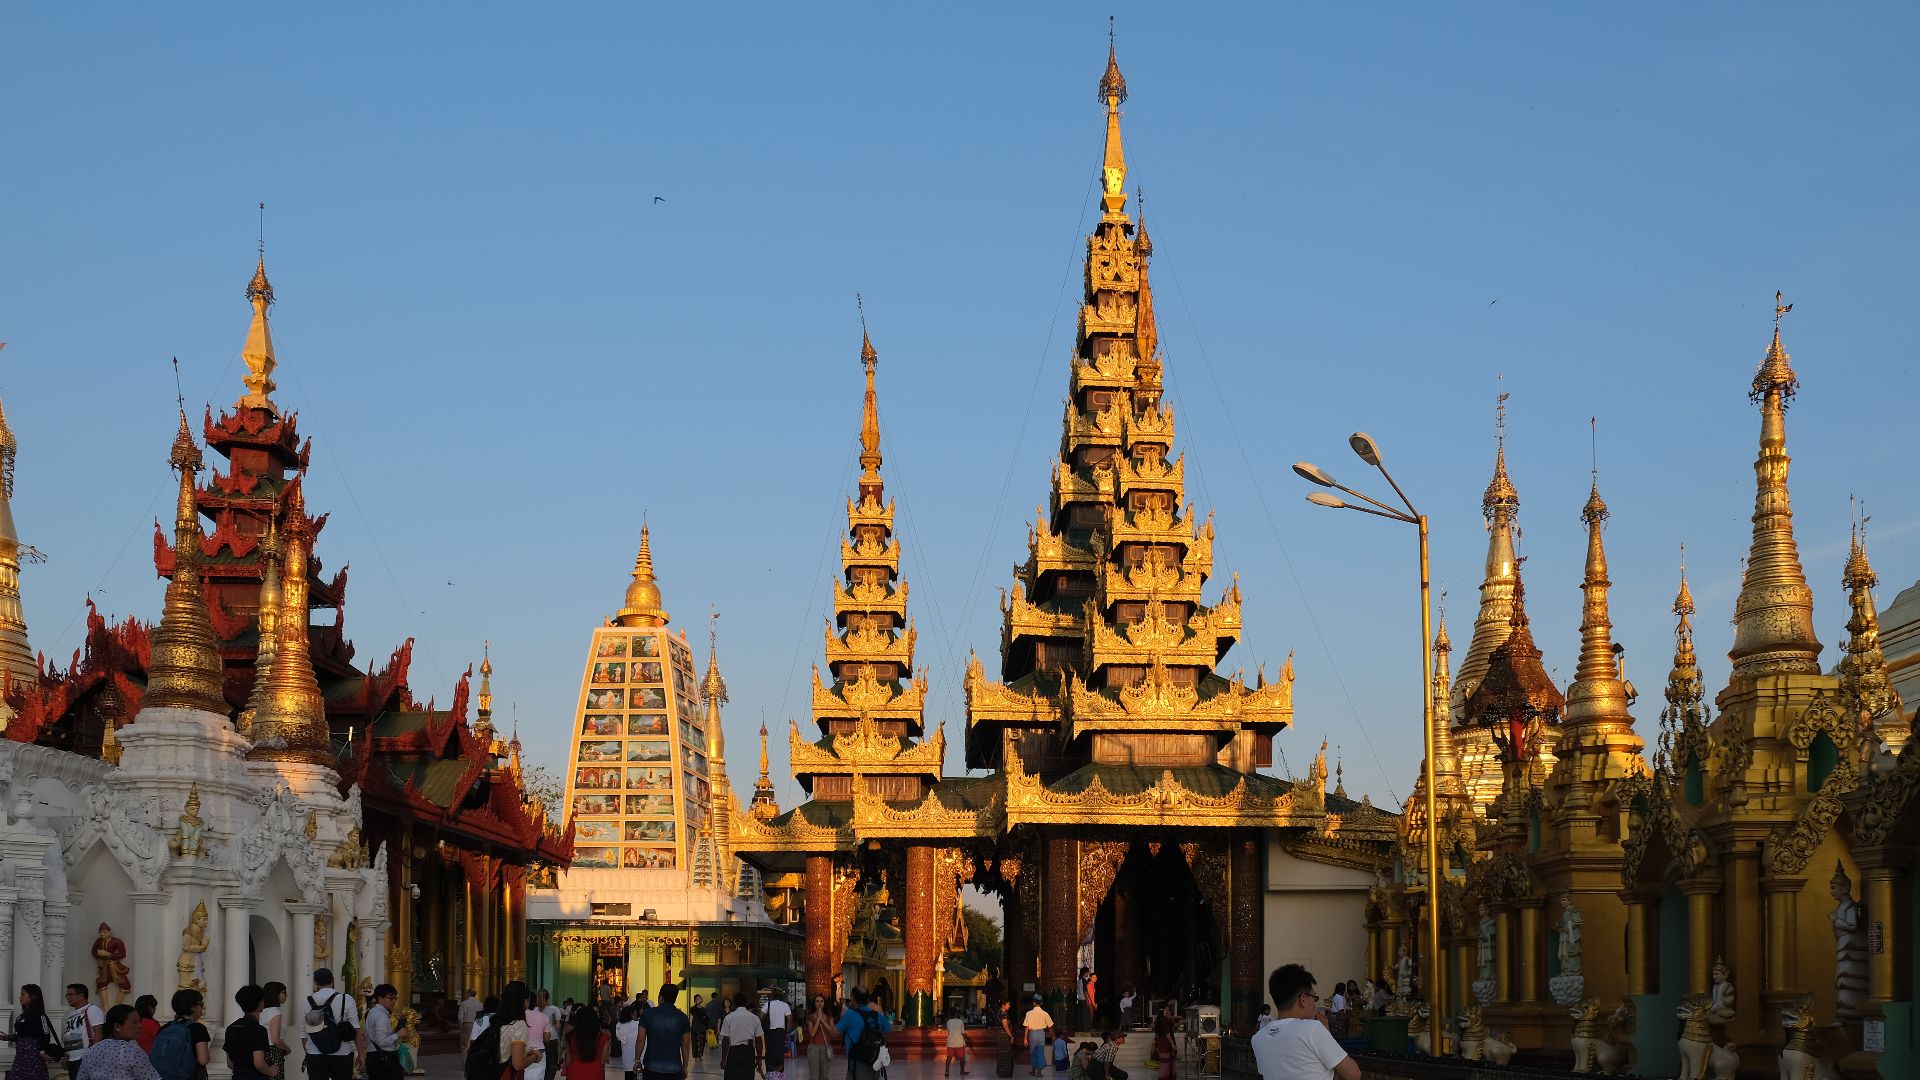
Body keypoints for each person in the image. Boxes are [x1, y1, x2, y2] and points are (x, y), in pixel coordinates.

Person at [1248, 965, 1358, 1080]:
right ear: (1303, 999)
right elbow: (1354, 1074)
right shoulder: (1312, 1029)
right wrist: (1327, 1035)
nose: (1315, 1003)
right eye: (1314, 998)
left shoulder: (1257, 1039)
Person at [301, 968, 358, 1080]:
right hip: (342, 1054)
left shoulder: (306, 1002)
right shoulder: (346, 999)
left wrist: (309, 1053)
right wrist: (361, 1053)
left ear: (315, 982)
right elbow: (356, 1029)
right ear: (332, 980)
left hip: (315, 1054)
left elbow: (304, 1034)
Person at [73, 1006, 157, 1080]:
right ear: (117, 1026)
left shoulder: (91, 1051)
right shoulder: (132, 1051)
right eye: (134, 1022)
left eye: (139, 1022)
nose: (139, 1026)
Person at [2, 984, 62, 1080]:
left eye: (23, 994)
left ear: (33, 997)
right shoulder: (22, 1015)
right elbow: (21, 1035)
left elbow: (46, 1034)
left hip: (34, 1058)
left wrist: (42, 1051)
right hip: (20, 1058)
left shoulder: (40, 1015)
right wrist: (7, 1037)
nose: (20, 997)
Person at [635, 984, 692, 1080]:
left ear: (660, 997)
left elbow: (640, 1039)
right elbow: (685, 1044)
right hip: (674, 1067)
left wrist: (637, 1060)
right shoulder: (682, 1017)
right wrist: (685, 1066)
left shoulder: (648, 1014)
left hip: (651, 1067)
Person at [834, 988, 887, 1080]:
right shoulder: (876, 1013)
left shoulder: (850, 1014)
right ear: (868, 1000)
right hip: (874, 1058)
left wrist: (841, 1019)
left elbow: (834, 1033)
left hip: (858, 1060)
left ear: (854, 999)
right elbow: (888, 1028)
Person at [225, 986, 276, 1080]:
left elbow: (230, 1063)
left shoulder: (231, 1028)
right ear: (260, 1003)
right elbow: (259, 1063)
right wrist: (271, 1071)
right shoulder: (258, 1030)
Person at [496, 982, 545, 1080]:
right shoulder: (518, 1025)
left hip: (495, 1072)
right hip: (508, 1075)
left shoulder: (496, 1020)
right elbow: (517, 1064)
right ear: (524, 1001)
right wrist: (535, 1056)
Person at [62, 983, 107, 1079]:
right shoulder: (71, 1014)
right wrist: (67, 1055)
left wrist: (93, 1054)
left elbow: (98, 1032)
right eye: (67, 995)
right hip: (73, 1059)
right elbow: (71, 1035)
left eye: (71, 994)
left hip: (85, 1057)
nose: (68, 997)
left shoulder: (92, 1010)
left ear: (81, 995)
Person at [717, 993, 763, 1080]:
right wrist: (759, 1059)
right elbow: (759, 1040)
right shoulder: (754, 1018)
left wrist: (723, 1059)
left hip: (734, 1052)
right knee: (747, 1076)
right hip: (749, 1052)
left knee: (731, 1076)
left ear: (734, 1003)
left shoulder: (729, 1017)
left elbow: (725, 1040)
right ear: (746, 1003)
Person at [362, 985, 402, 1080]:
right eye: (390, 998)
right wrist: (398, 1034)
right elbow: (381, 1042)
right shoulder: (381, 1016)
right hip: (383, 1059)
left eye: (395, 998)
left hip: (374, 1057)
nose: (393, 1001)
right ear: (380, 998)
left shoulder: (372, 1012)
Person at [564, 1008, 608, 1080]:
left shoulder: (570, 1036)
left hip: (574, 1072)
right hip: (595, 1072)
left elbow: (568, 1060)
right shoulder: (603, 1038)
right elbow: (602, 1061)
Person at [258, 983, 291, 1079]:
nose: (286, 996)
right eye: (283, 993)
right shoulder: (274, 1012)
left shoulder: (261, 1012)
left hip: (261, 1051)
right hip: (273, 1052)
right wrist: (286, 1048)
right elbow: (275, 1039)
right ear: (275, 994)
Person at [803, 995, 835, 1080]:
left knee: (824, 1075)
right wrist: (818, 1020)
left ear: (824, 1003)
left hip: (826, 1047)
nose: (819, 1003)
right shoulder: (810, 1017)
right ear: (814, 1004)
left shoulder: (829, 1016)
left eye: (821, 1001)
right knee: (814, 1076)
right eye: (817, 1001)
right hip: (813, 1048)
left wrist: (823, 1021)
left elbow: (832, 1031)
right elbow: (812, 1033)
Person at [1020, 997, 1051, 1079]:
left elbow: (1026, 1026)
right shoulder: (1045, 1013)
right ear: (1041, 1003)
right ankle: (1039, 1072)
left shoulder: (1029, 1013)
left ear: (1033, 1003)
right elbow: (1050, 1026)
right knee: (1040, 1052)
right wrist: (1053, 1035)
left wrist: (1025, 1038)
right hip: (1041, 1033)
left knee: (1033, 1052)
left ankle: (1033, 1071)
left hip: (1033, 1034)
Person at [763, 994, 792, 1080]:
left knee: (769, 1053)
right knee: (779, 1054)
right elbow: (789, 1018)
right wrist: (787, 1031)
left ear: (772, 996)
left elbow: (761, 1015)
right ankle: (779, 1075)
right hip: (780, 1032)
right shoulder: (785, 1005)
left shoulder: (768, 1004)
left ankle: (769, 1075)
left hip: (770, 1032)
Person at [1150, 1004, 1176, 1080]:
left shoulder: (1160, 1019)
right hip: (1165, 1043)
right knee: (1165, 1064)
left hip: (1161, 1043)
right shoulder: (1164, 1019)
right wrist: (1172, 1043)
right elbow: (1167, 1033)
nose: (1168, 1011)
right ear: (1164, 1010)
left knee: (1164, 1064)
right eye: (1167, 1009)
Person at [615, 1006, 641, 1080]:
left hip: (627, 1057)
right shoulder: (638, 1025)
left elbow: (618, 1038)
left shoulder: (619, 1025)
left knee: (628, 1075)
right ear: (631, 1014)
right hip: (639, 1056)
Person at [943, 1010, 968, 1077]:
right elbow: (963, 1033)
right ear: (957, 1015)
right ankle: (962, 1071)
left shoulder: (948, 1022)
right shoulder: (960, 1021)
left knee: (949, 1058)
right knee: (962, 1058)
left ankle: (947, 1072)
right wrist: (965, 1039)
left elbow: (948, 1031)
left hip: (951, 1042)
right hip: (959, 1042)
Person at [688, 997, 709, 1064]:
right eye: (697, 999)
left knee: (702, 1043)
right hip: (695, 1028)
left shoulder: (704, 1009)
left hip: (702, 1028)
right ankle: (696, 1057)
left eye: (700, 998)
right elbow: (692, 1011)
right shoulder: (692, 1008)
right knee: (695, 1043)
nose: (698, 999)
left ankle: (700, 1056)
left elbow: (706, 1018)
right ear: (695, 1000)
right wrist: (696, 1005)